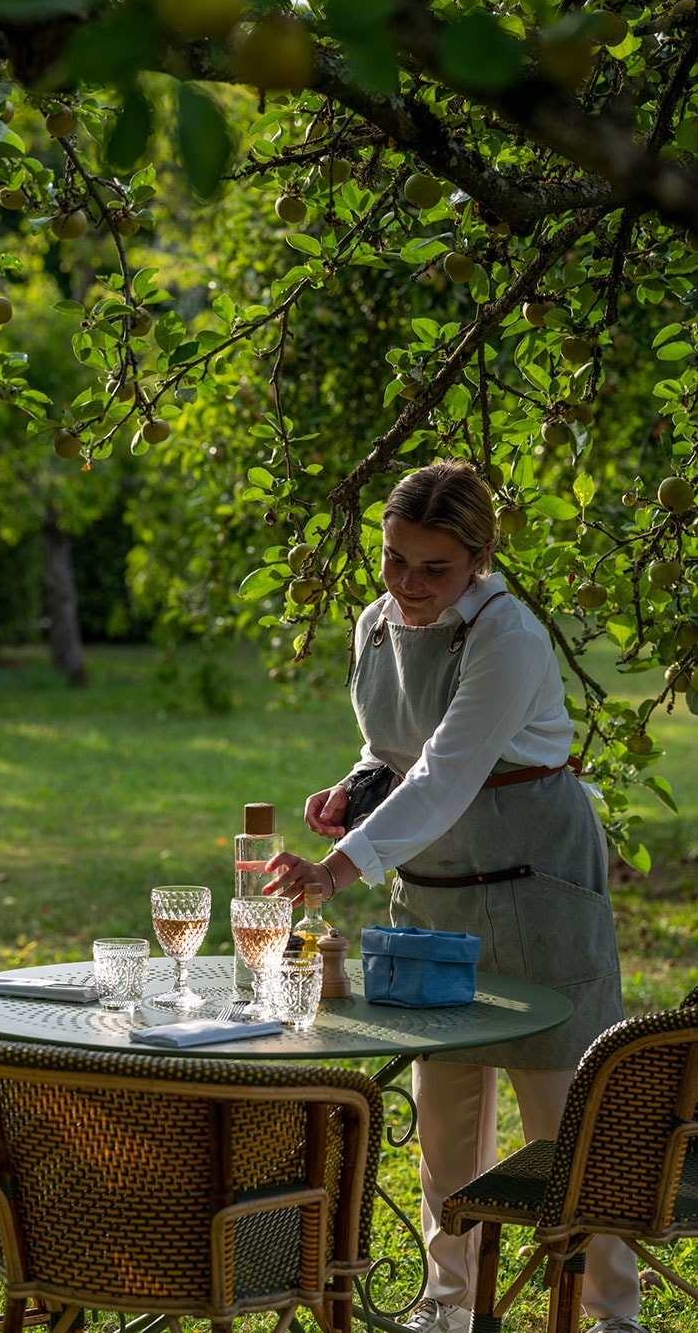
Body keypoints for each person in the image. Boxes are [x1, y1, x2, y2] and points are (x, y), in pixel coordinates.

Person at [265, 460, 643, 1333]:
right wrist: (351, 791)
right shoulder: (374, 623)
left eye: (435, 568)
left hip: (535, 887)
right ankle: (449, 1308)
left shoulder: (507, 635)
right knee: (447, 1116)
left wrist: (337, 870)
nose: (409, 585)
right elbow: (394, 753)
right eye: (396, 560)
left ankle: (609, 1314)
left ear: (479, 557)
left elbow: (445, 775)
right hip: (431, 893)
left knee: (565, 1118)